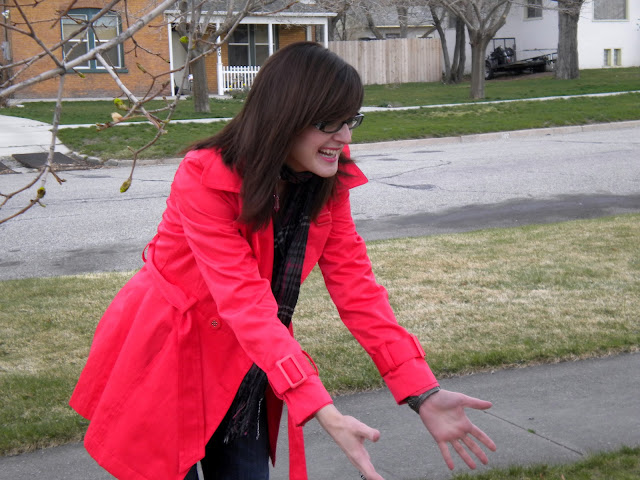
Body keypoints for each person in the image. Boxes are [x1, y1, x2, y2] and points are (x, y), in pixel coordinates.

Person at [70, 41, 496, 480]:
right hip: (170, 357)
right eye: (329, 123)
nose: (345, 137)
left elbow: (356, 288)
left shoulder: (327, 176)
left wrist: (421, 390)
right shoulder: (204, 176)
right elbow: (244, 301)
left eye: (350, 120)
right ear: (285, 116)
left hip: (250, 364)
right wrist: (324, 410)